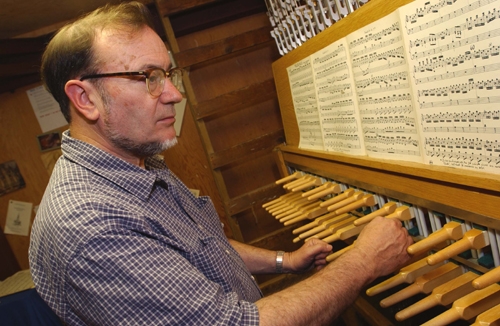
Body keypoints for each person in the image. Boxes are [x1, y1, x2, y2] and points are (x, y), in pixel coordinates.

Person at [29, 2, 413, 325]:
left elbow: (201, 247)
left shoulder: (137, 162)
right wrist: (364, 261)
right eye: (148, 77)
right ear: (84, 98)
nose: (175, 94)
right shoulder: (90, 228)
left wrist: (285, 261)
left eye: (168, 74)